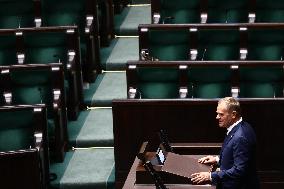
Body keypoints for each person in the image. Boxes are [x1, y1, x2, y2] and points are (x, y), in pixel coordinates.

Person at [191, 97, 260, 189]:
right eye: (217, 114)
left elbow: (239, 170)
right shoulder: (240, 126)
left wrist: (210, 176)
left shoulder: (240, 137)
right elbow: (236, 156)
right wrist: (217, 159)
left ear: (233, 114)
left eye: (221, 114)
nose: (217, 117)